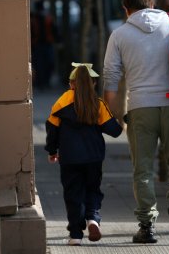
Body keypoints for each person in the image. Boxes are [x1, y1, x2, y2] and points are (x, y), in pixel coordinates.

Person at [103, 0, 169, 243]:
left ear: (126, 9)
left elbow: (110, 79)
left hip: (139, 106)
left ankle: (147, 226)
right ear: (152, 4)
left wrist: (115, 114)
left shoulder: (119, 34)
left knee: (142, 169)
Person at [45, 62, 122, 246]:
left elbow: (52, 129)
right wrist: (120, 119)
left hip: (70, 158)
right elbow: (114, 131)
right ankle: (93, 219)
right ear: (93, 83)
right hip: (94, 157)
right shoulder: (98, 103)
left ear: (71, 83)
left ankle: (75, 235)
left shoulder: (61, 102)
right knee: (92, 189)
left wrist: (52, 151)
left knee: (73, 194)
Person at [30, 0, 57, 90]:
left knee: (44, 64)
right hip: (40, 45)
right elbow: (54, 30)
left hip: (43, 44)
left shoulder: (42, 18)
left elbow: (54, 30)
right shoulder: (43, 17)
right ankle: (42, 83)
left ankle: (43, 82)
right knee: (42, 65)